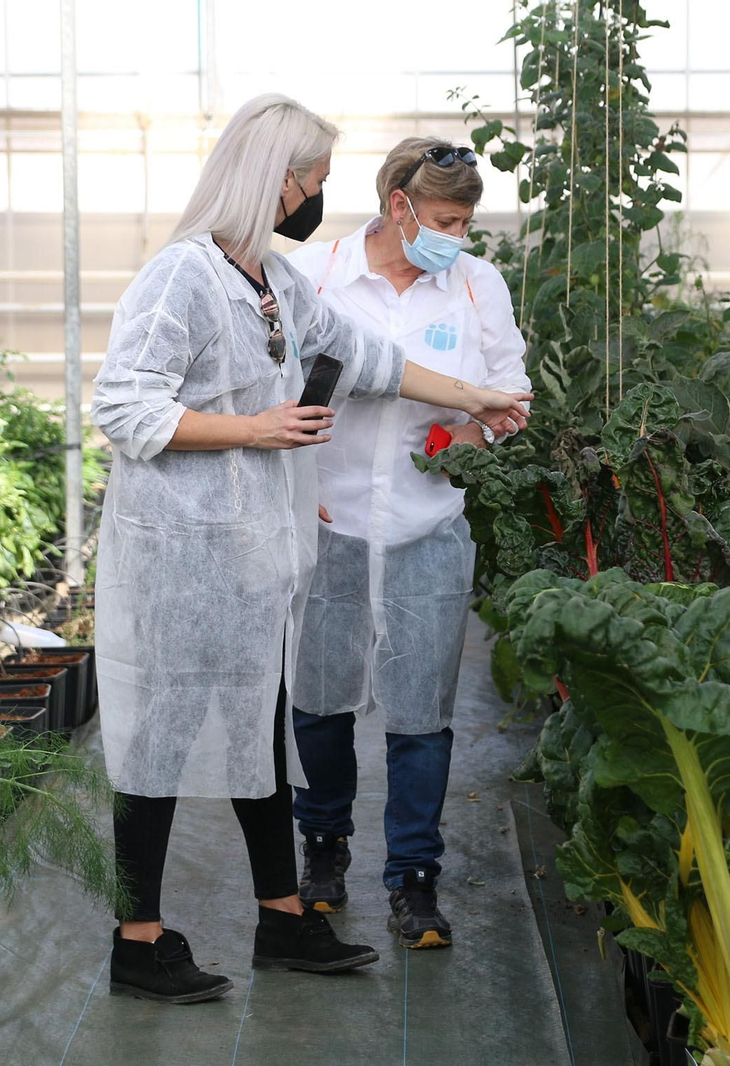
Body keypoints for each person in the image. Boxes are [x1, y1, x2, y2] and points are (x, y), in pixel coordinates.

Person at [90, 99, 531, 1004]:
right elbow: (124, 407)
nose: (321, 198)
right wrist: (255, 427)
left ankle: (285, 919)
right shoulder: (183, 277)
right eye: (314, 181)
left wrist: (478, 399)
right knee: (158, 745)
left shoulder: (277, 284)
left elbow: (371, 359)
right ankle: (137, 940)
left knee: (261, 733)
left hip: (254, 557)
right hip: (181, 557)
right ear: (271, 180)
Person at [286, 137, 532, 950]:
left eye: (465, 221)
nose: (457, 235)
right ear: (400, 205)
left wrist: (470, 440)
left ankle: (414, 880)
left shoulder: (474, 284)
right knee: (321, 699)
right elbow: (272, 383)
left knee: (422, 713)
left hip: (427, 527)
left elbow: (510, 393)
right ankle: (322, 848)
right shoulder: (318, 274)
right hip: (331, 522)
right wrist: (296, 485)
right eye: (447, 219)